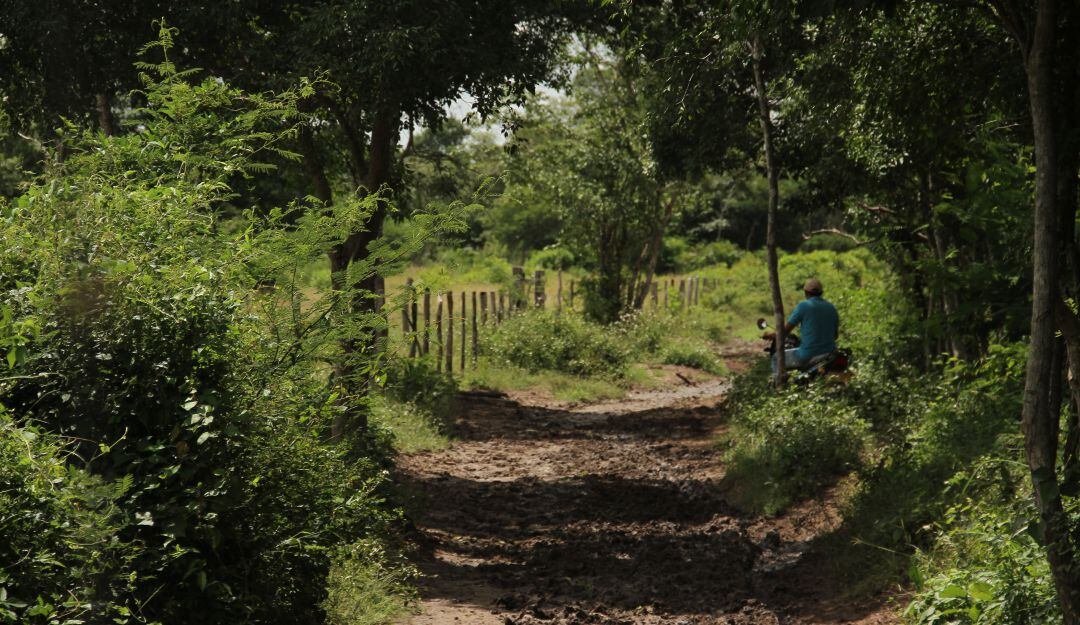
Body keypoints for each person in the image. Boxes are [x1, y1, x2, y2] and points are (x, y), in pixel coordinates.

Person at [762, 277, 839, 376]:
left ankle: (780, 388)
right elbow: (835, 336)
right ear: (821, 292)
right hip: (830, 353)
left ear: (805, 292)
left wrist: (772, 335)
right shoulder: (831, 308)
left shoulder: (803, 306)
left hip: (808, 354)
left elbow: (785, 331)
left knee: (776, 358)